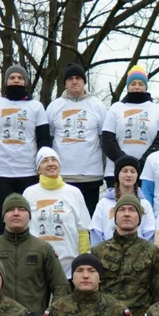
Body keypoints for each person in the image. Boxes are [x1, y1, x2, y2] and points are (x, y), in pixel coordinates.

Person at [0, 194, 71, 313]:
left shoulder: (43, 249)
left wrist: (51, 314)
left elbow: (61, 286)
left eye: (22, 209)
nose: (16, 213)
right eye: (10, 210)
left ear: (29, 217)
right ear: (3, 217)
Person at [0, 66, 51, 216]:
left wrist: (42, 168)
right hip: (1, 173)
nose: (16, 80)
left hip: (29, 173)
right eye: (12, 78)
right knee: (4, 218)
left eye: (20, 78)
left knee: (29, 217)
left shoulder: (36, 107)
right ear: (6, 81)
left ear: (25, 82)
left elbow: (43, 139)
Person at [90, 194, 159, 316]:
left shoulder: (152, 251)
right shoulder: (98, 251)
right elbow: (91, 291)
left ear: (139, 218)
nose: (126, 214)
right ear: (115, 217)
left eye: (132, 210)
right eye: (122, 210)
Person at [45, 63, 107, 214]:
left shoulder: (98, 106)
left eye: (78, 78)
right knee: (65, 219)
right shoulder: (54, 107)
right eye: (70, 78)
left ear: (84, 82)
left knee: (87, 221)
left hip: (91, 175)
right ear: (65, 83)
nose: (74, 82)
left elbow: (105, 140)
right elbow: (47, 140)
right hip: (63, 175)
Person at [23, 147, 92, 278]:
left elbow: (83, 230)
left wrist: (83, 259)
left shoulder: (74, 192)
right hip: (37, 265)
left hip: (68, 267)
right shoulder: (29, 193)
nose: (50, 163)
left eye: (54, 159)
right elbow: (24, 228)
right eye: (45, 161)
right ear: (38, 169)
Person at [101, 66, 159, 184]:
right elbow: (107, 140)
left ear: (146, 86)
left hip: (147, 171)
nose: (137, 87)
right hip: (116, 171)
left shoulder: (157, 110)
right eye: (133, 83)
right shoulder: (116, 108)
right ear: (128, 86)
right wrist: (125, 162)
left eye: (141, 84)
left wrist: (141, 163)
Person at [90, 156, 156, 245]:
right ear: (118, 174)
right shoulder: (104, 203)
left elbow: (149, 233)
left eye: (133, 171)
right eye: (124, 171)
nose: (129, 175)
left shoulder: (144, 204)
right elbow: (96, 233)